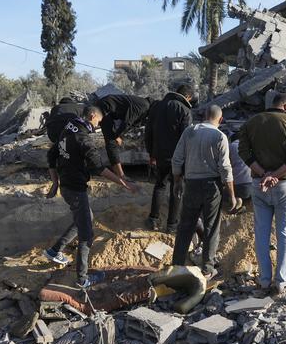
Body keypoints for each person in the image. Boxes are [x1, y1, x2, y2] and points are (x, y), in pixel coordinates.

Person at [43, 106, 138, 288]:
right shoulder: (84, 140)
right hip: (76, 189)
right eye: (99, 122)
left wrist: (55, 182)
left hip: (66, 185)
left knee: (85, 219)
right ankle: (82, 279)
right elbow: (98, 168)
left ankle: (55, 251)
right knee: (87, 235)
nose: (99, 126)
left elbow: (52, 154)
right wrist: (124, 183)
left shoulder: (69, 127)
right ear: (93, 116)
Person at [238, 92, 286, 298]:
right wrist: (275, 176)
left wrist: (263, 174)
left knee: (261, 235)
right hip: (285, 185)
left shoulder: (251, 123)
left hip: (259, 185)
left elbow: (244, 152)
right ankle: (281, 283)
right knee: (284, 235)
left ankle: (264, 281)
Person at [170, 105, 234, 279]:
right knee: (211, 227)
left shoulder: (189, 132)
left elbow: (176, 160)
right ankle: (207, 268)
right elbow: (225, 168)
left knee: (185, 226)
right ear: (220, 120)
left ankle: (176, 266)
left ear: (205, 116)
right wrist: (231, 194)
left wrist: (178, 182)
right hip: (212, 186)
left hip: (191, 184)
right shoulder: (219, 136)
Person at [145, 84, 194, 233]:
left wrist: (151, 154)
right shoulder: (184, 110)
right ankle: (172, 225)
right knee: (177, 188)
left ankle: (153, 220)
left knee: (160, 185)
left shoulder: (157, 106)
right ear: (188, 97)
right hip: (177, 158)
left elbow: (148, 131)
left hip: (159, 155)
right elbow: (187, 138)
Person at [94, 94, 152, 178]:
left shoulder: (145, 106)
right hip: (105, 107)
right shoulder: (144, 106)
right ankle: (121, 175)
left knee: (112, 140)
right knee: (111, 142)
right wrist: (117, 136)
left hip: (110, 110)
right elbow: (127, 122)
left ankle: (118, 171)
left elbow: (134, 124)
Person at [226, 128, 253, 212]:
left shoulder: (230, 147)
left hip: (239, 187)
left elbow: (225, 166)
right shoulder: (250, 147)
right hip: (253, 185)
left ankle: (238, 202)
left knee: (225, 193)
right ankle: (250, 201)